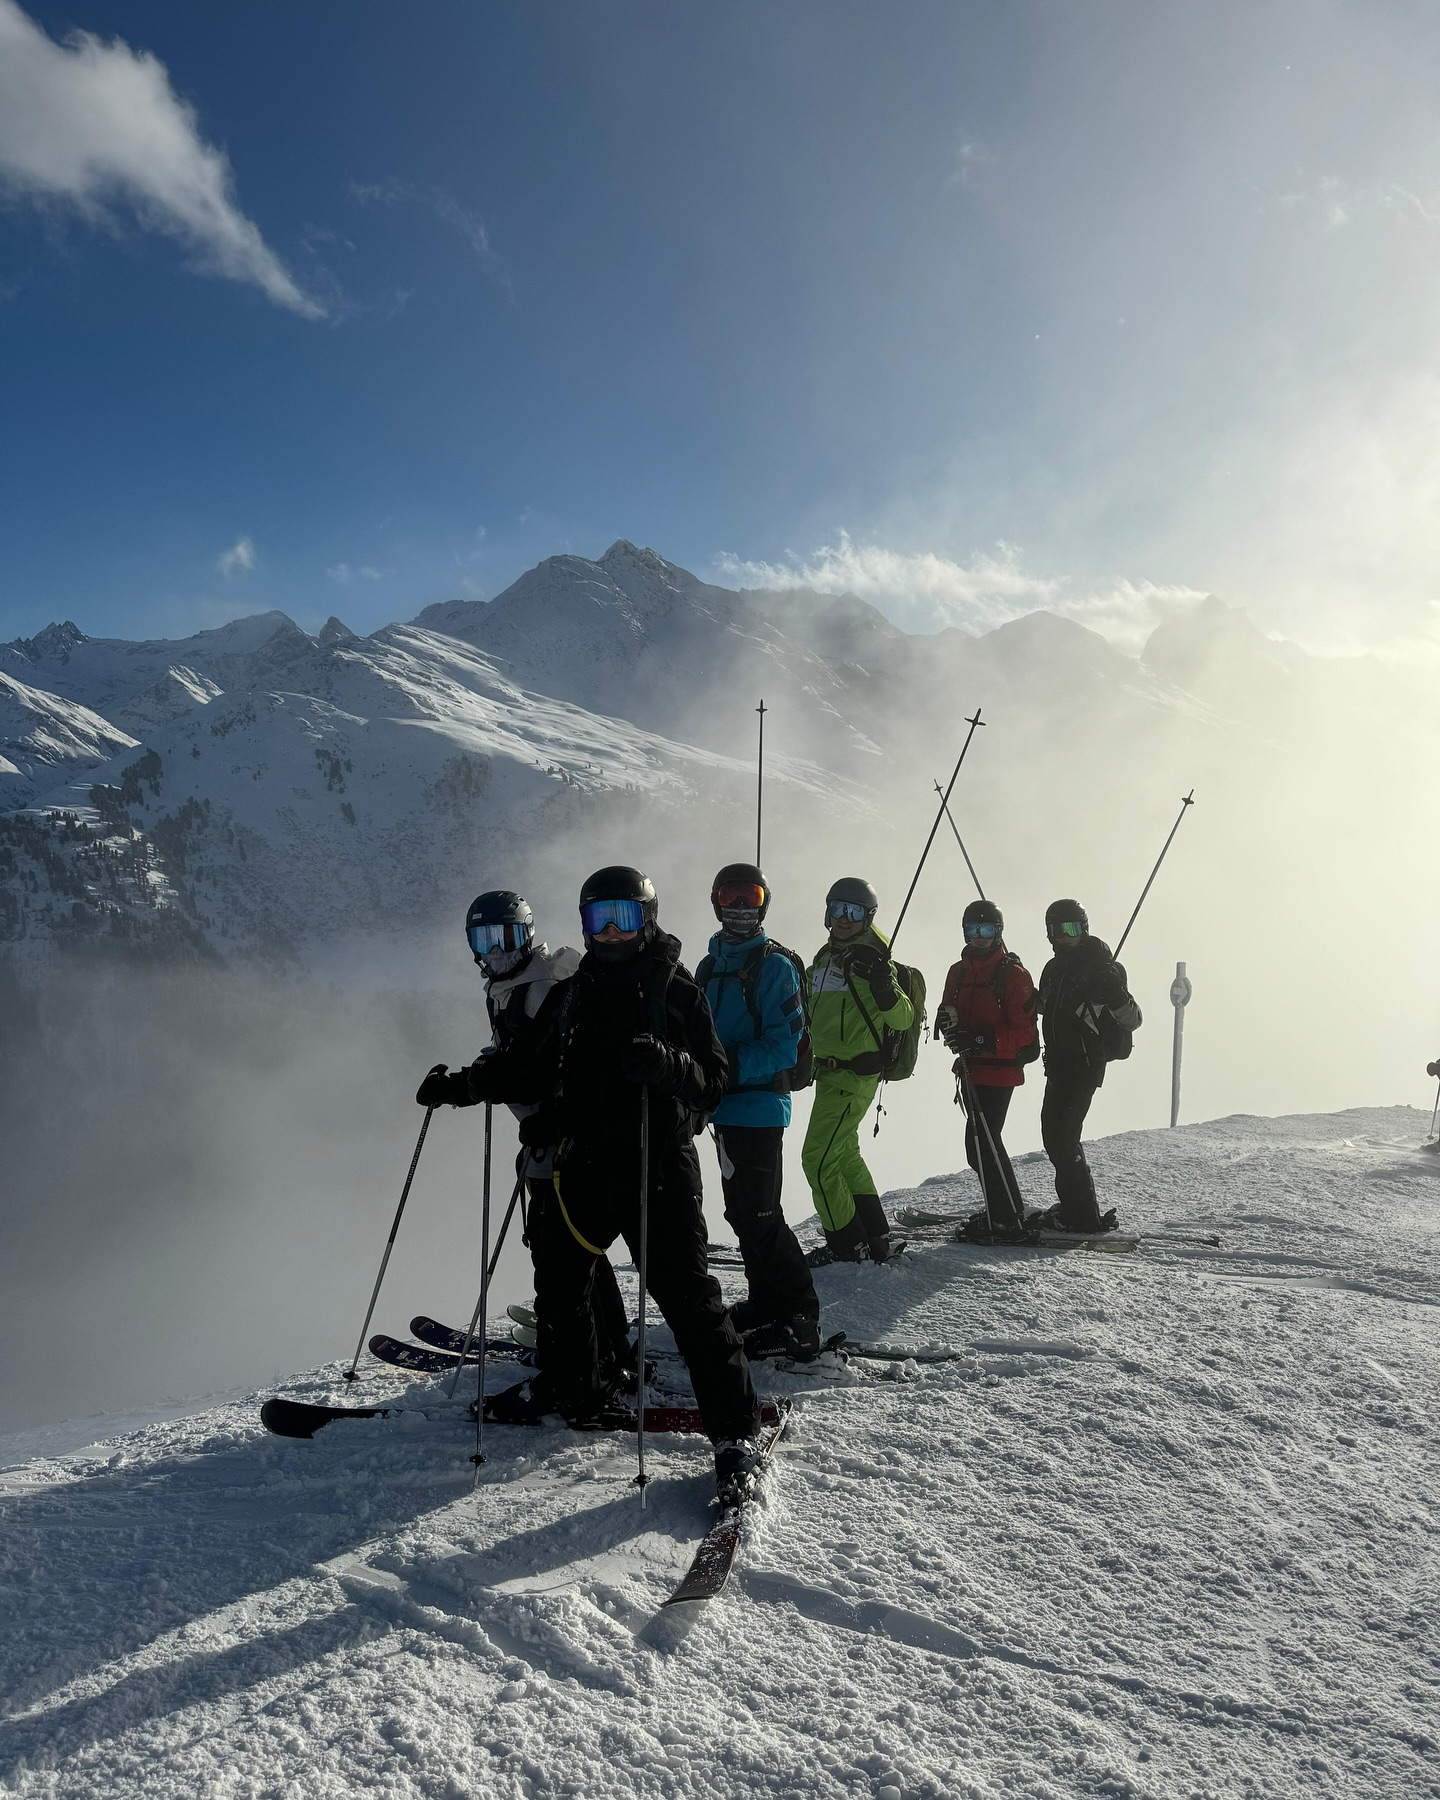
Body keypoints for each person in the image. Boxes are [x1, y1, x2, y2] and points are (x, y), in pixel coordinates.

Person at [447, 865, 762, 1503]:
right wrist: (462, 1087)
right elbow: (530, 1070)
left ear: (647, 919)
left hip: (658, 1170)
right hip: (584, 1165)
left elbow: (714, 1080)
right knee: (559, 1285)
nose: (612, 932)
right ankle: (579, 1390)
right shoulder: (576, 993)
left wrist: (670, 1066)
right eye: (599, 919)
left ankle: (735, 1437)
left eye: (625, 917)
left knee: (690, 1302)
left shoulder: (678, 993)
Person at [415, 890, 634, 1405]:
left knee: (562, 1251)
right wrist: (483, 1069)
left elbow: (536, 1071)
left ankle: (584, 1361)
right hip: (550, 1133)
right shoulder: (512, 984)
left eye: (507, 936)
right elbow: (517, 1054)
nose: (497, 949)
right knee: (575, 1248)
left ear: (528, 934)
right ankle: (605, 1346)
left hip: (564, 1136)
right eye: (485, 939)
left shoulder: (546, 985)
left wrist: (468, 1086)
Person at [697, 862, 819, 1360]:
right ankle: (767, 1302)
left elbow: (783, 1046)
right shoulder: (708, 966)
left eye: (751, 897)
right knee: (742, 1212)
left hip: (761, 1109)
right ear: (717, 902)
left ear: (765, 903)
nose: (742, 908)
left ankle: (799, 1318)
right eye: (732, 897)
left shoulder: (774, 966)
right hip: (723, 1110)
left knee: (762, 1216)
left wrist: (725, 1069)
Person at [801, 876, 914, 1263]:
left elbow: (902, 1017)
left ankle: (847, 1245)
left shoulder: (875, 960)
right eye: (836, 909)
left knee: (816, 1162)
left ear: (868, 917)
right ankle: (875, 1235)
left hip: (854, 1076)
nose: (843, 919)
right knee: (845, 1155)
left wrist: (883, 985)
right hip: (827, 1074)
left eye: (853, 911)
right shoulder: (823, 958)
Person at [1034, 898, 1141, 1233]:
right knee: (1055, 1136)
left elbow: (1133, 1019)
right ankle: (1076, 1209)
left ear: (1085, 929)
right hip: (1058, 1065)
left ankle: (1081, 1215)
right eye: (1058, 930)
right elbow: (1046, 1007)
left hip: (1083, 1065)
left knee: (1062, 1138)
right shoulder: (1053, 969)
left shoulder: (1103, 968)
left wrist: (1115, 993)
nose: (1065, 937)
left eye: (1072, 929)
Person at [934, 898, 1039, 1237]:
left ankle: (1005, 1217)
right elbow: (949, 1010)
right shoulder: (958, 971)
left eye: (987, 930)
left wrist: (978, 1039)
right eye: (972, 930)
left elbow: (1024, 1031)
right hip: (970, 1070)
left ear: (999, 932)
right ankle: (1007, 1209)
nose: (979, 937)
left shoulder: (1013, 974)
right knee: (985, 1143)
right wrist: (948, 1025)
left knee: (981, 1144)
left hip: (1000, 1071)